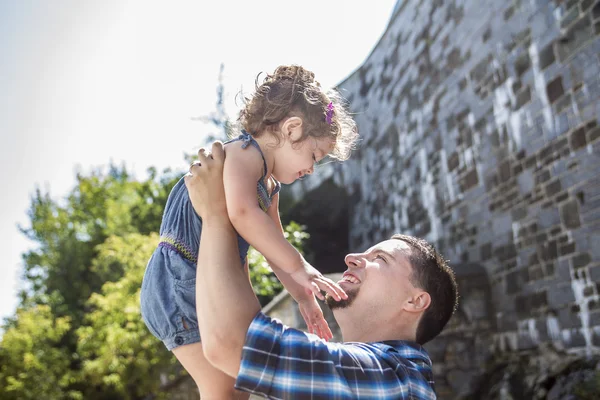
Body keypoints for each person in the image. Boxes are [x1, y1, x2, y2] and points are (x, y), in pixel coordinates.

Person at [140, 65, 359, 398]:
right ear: (292, 129)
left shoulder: (269, 187)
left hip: (201, 284)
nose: (312, 169)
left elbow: (275, 247)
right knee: (223, 389)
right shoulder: (242, 154)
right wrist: (301, 266)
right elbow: (242, 213)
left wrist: (303, 296)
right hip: (179, 281)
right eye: (314, 155)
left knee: (234, 389)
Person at [185, 142, 459, 399]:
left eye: (381, 258)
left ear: (415, 300)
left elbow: (231, 342)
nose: (352, 258)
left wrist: (216, 214)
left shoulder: (393, 378)